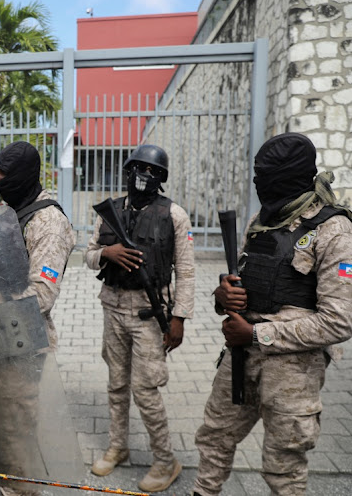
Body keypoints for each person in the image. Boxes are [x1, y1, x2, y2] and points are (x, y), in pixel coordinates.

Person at [192, 133, 352, 496]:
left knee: (283, 468)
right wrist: (223, 295)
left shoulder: (335, 231)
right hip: (239, 357)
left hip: (292, 373)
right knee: (213, 441)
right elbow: (244, 287)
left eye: (268, 178)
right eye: (258, 176)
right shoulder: (262, 220)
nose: (259, 185)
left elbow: (341, 320)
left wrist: (257, 335)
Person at [84, 144, 194, 492]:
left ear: (160, 177)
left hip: (150, 313)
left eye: (151, 171)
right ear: (127, 171)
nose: (142, 176)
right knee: (117, 384)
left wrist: (179, 318)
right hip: (112, 307)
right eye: (137, 169)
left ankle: (165, 460)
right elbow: (86, 255)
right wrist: (107, 252)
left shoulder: (174, 214)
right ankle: (118, 446)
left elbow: (187, 272)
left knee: (146, 390)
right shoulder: (110, 210)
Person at [0, 141, 75, 496]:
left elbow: (42, 293)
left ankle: (23, 489)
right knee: (3, 420)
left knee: (18, 426)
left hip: (25, 342)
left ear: (25, 176)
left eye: (5, 176)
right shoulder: (14, 210)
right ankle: (8, 482)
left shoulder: (49, 223)